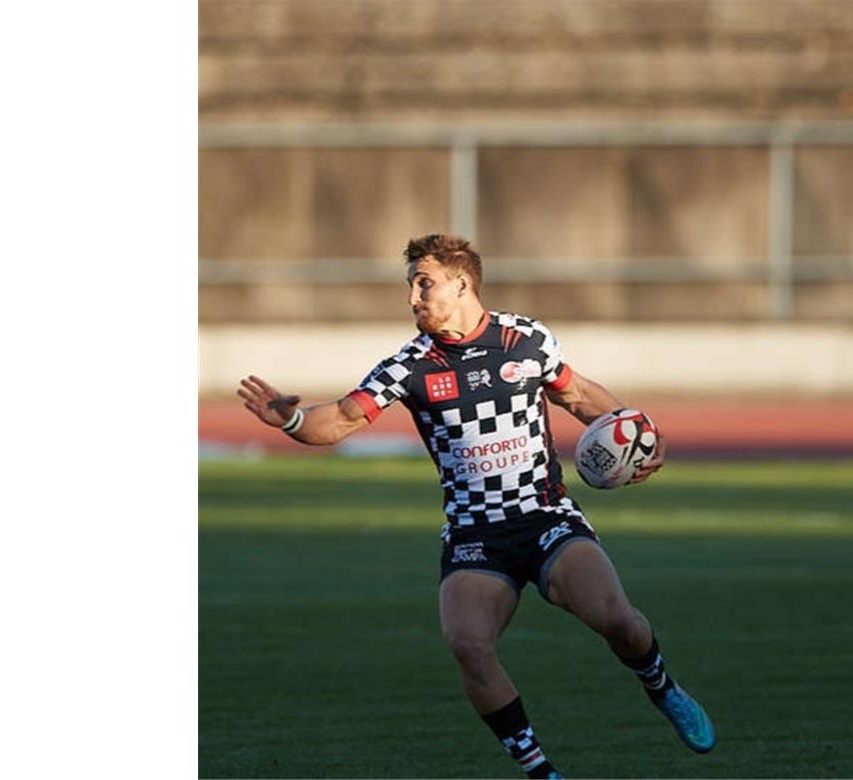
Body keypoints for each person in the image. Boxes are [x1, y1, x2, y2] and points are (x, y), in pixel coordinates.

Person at [236, 234, 715, 778]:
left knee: (615, 619)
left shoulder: (526, 340)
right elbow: (341, 419)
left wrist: (638, 434)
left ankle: (661, 686)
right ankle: (542, 772)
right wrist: (292, 421)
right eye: (412, 285)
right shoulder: (409, 364)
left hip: (546, 519)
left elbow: (579, 396)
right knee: (468, 644)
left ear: (461, 283)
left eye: (425, 283)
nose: (414, 296)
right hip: (475, 536)